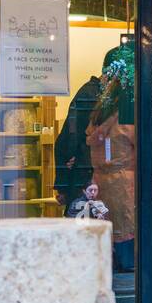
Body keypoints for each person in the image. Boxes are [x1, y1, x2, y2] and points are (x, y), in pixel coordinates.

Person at [87, 41, 137, 272]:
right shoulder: (128, 110)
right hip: (123, 187)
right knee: (127, 258)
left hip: (100, 185)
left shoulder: (101, 109)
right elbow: (141, 150)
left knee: (106, 256)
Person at [53, 74, 100, 209]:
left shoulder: (89, 92)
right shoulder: (92, 94)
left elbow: (67, 139)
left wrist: (63, 185)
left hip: (83, 176)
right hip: (85, 176)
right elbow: (70, 138)